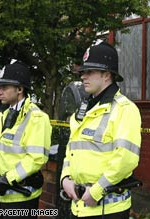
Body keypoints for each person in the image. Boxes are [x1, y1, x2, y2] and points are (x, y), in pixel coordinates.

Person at [60, 40, 142, 219]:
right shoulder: (83, 110)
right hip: (78, 207)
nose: (83, 77)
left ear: (106, 74)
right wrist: (65, 178)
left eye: (89, 72)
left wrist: (97, 191)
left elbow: (126, 159)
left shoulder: (125, 109)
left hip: (108, 210)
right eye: (82, 72)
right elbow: (71, 149)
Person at [0, 61, 52, 218]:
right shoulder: (3, 116)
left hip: (21, 199)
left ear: (20, 89)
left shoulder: (37, 118)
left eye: (4, 87)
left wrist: (7, 179)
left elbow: (36, 159)